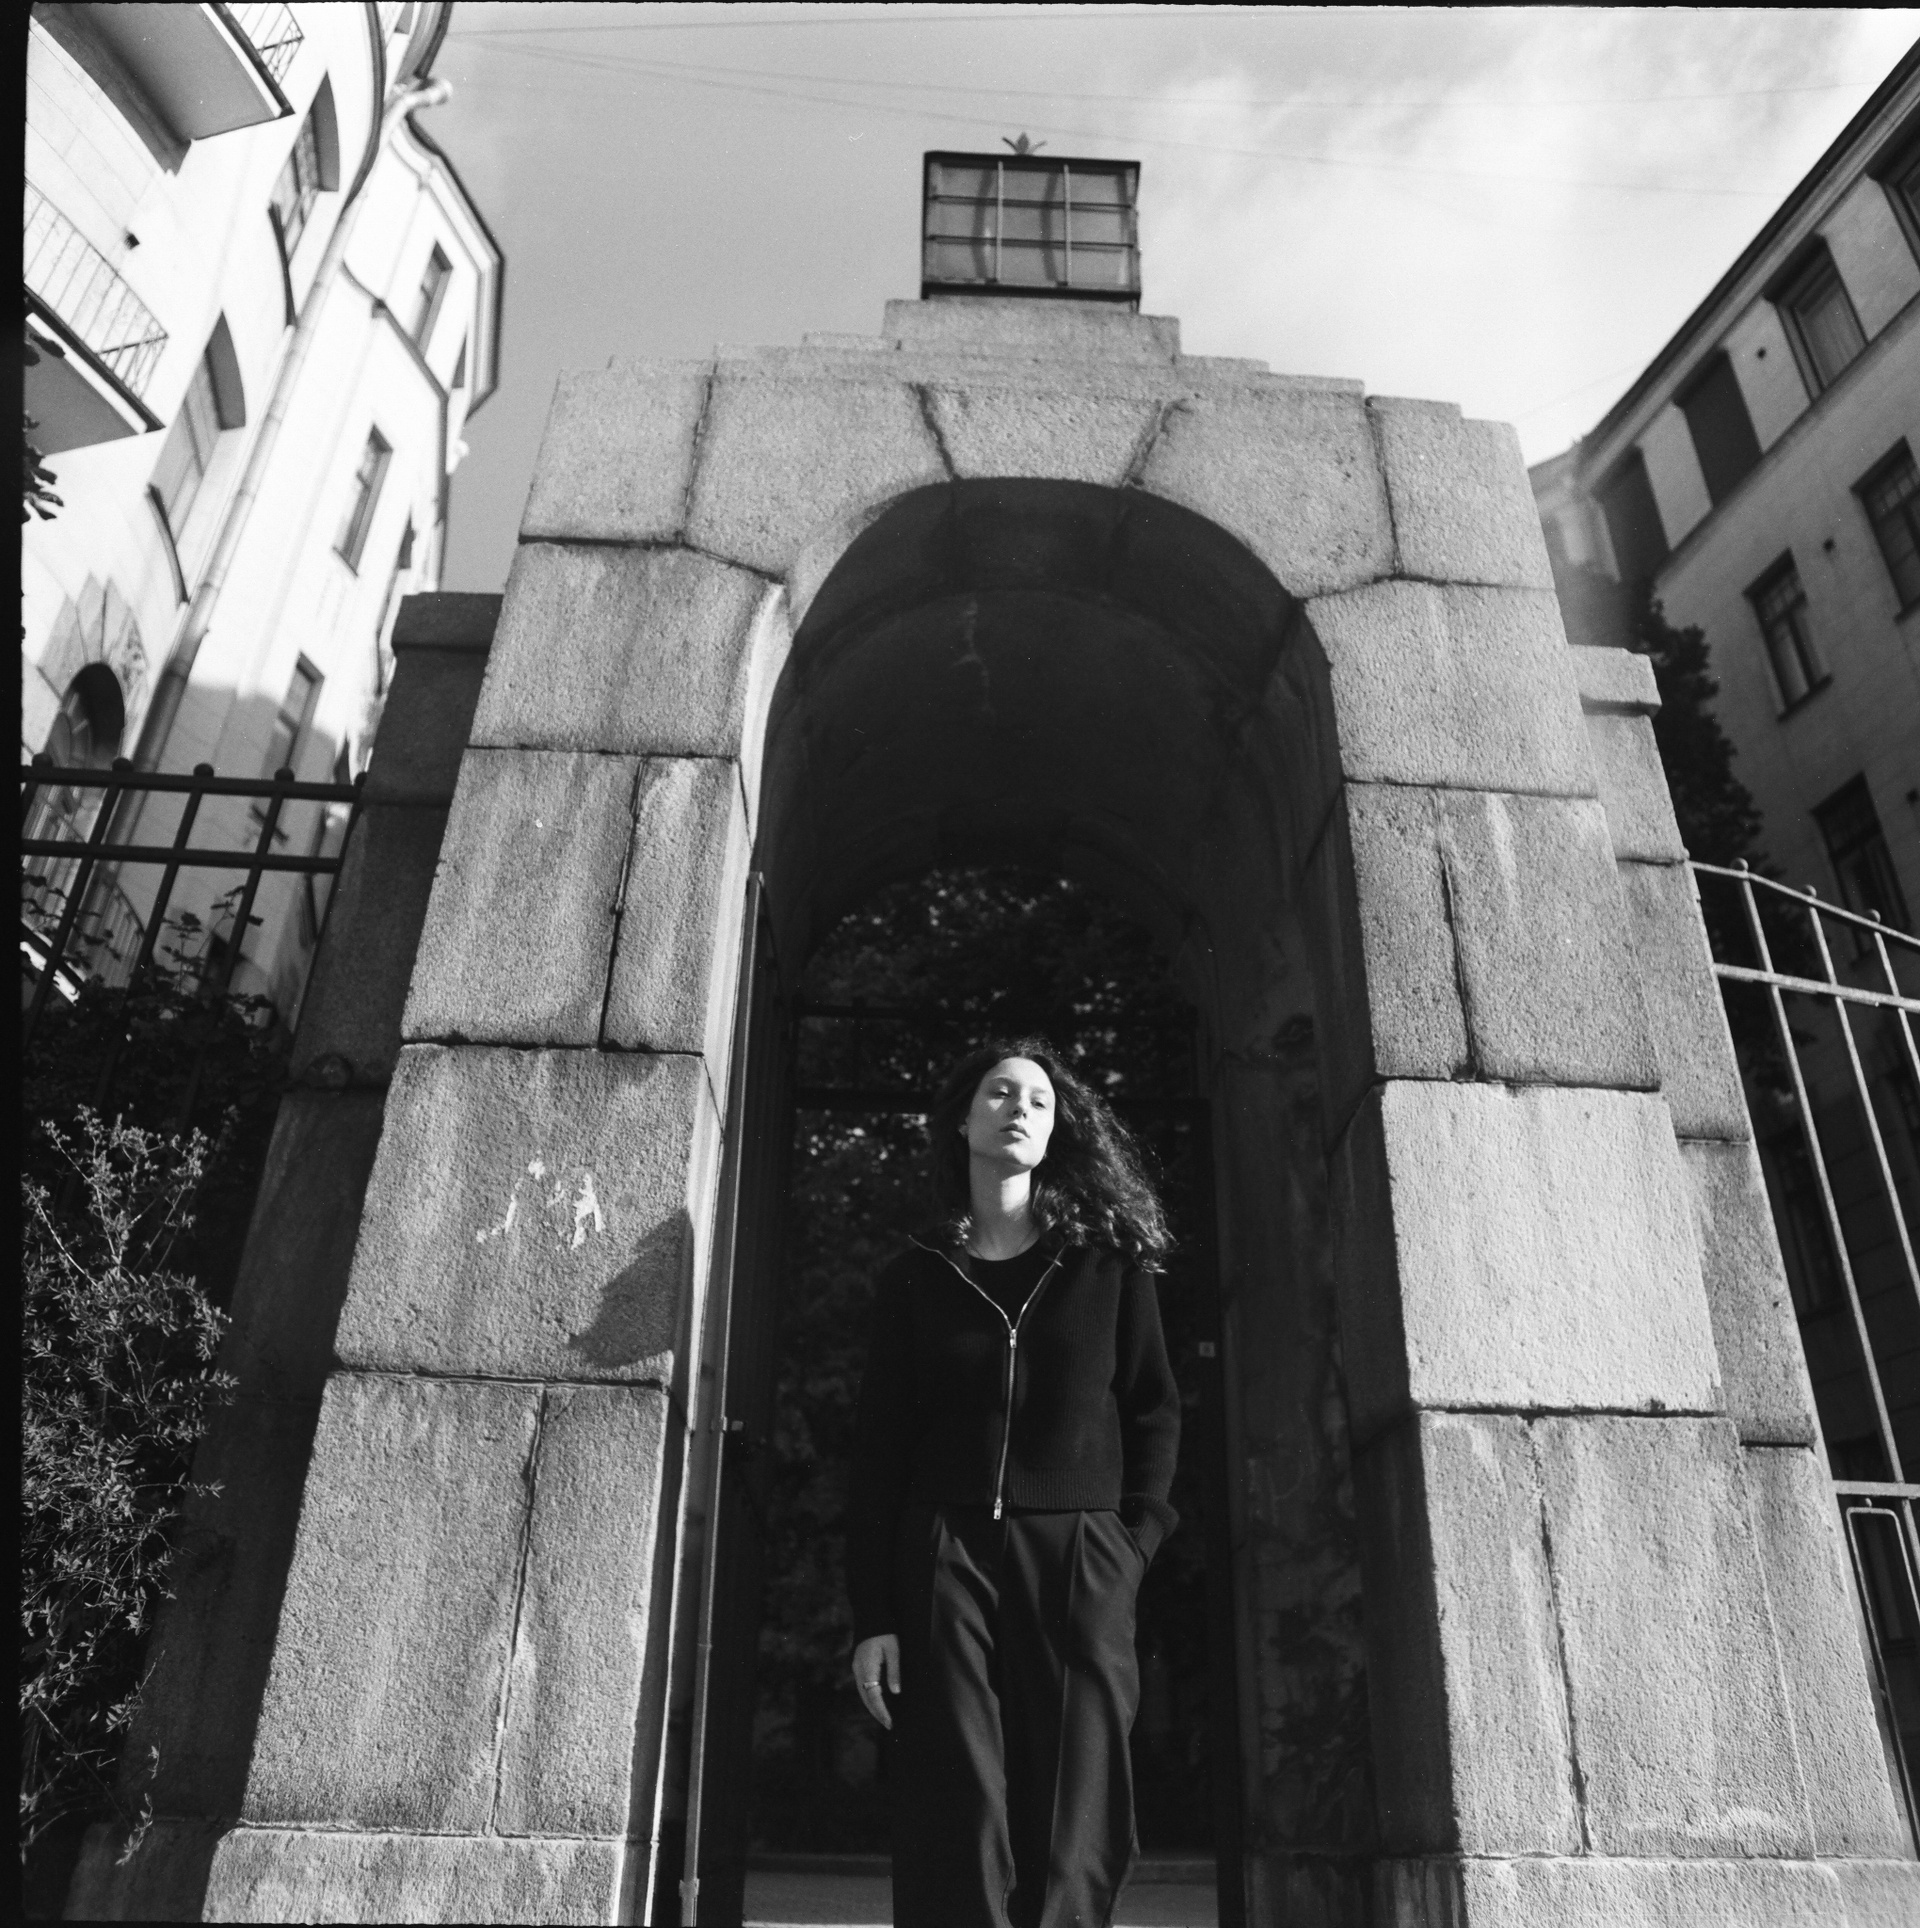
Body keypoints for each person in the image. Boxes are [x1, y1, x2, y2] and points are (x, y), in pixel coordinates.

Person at [846, 1037, 1180, 1928]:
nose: (1019, 1109)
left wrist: (1132, 1545)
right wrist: (873, 1615)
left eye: (1038, 1099)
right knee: (957, 1796)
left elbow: (1155, 1409)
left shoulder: (1107, 1268)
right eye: (999, 1092)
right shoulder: (916, 1277)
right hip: (945, 1554)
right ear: (964, 1121)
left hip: (1080, 1553)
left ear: (1055, 1129)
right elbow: (878, 1450)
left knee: (1076, 1801)